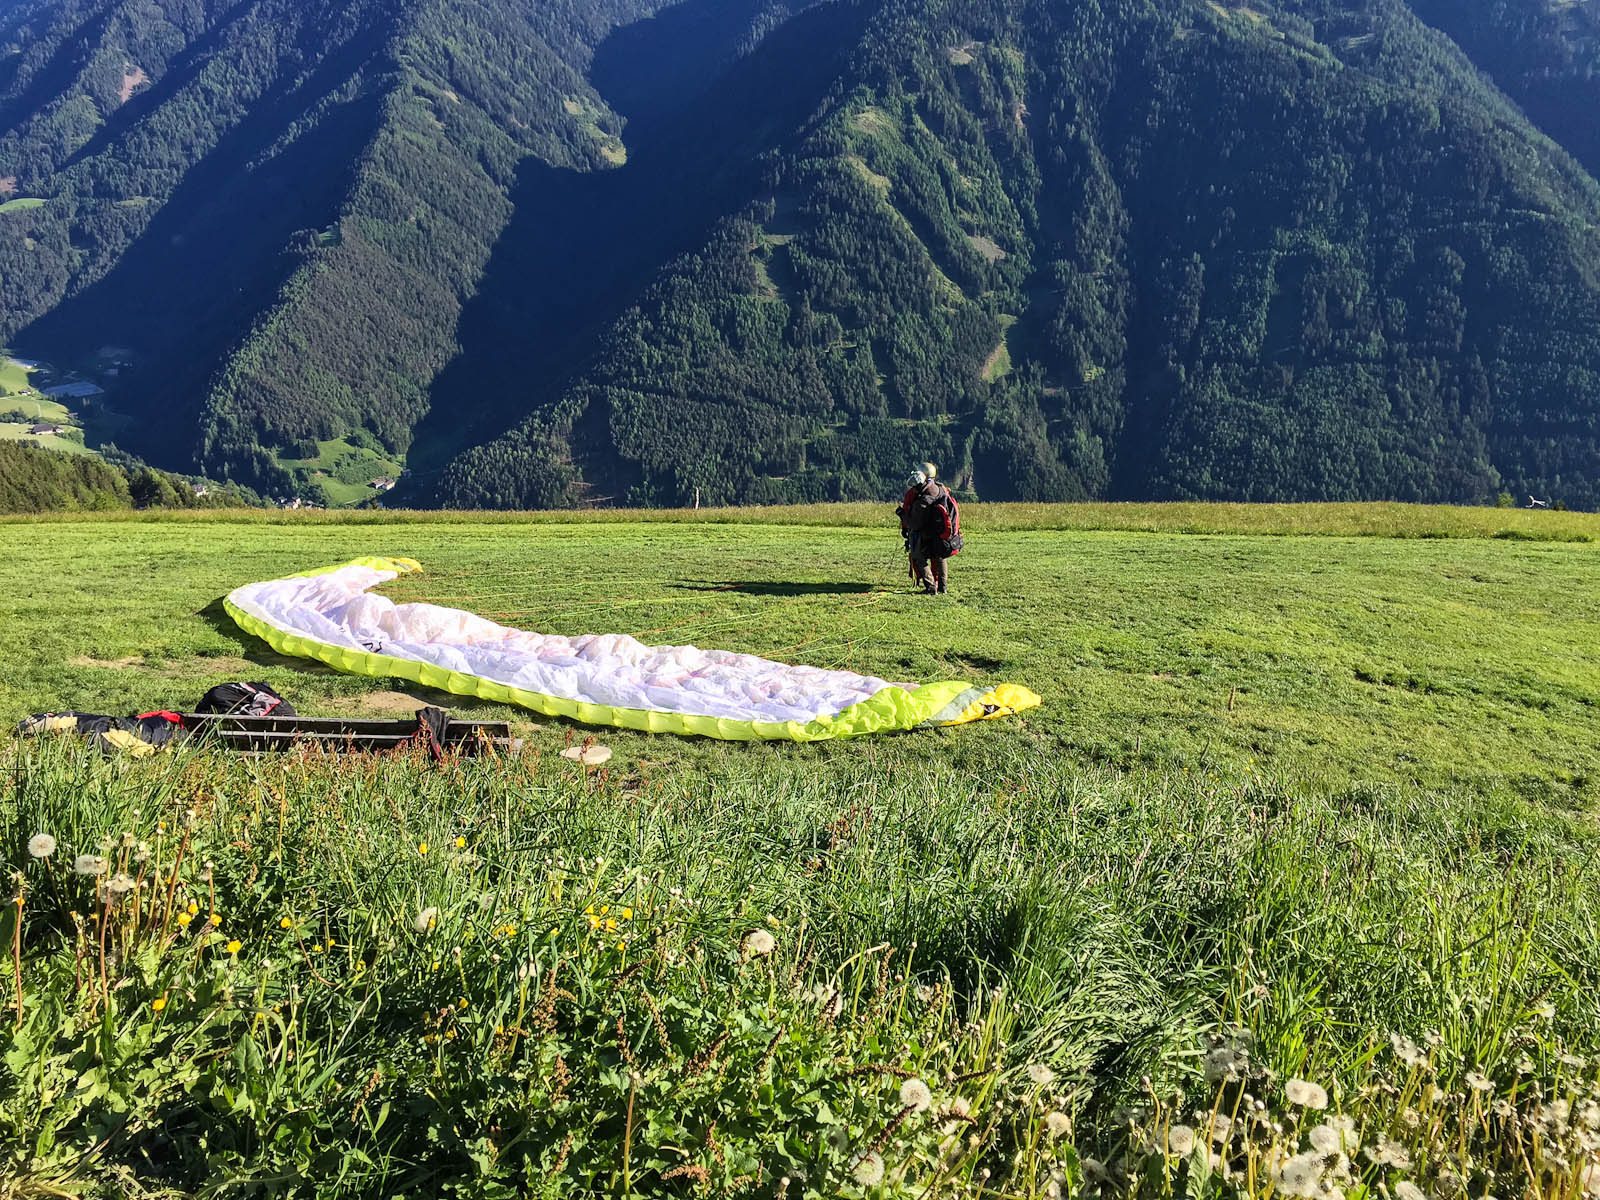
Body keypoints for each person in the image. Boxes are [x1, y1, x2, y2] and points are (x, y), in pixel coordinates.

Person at [896, 462, 962, 594]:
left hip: (927, 534)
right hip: (941, 532)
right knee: (940, 557)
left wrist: (902, 515)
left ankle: (931, 587)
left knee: (918, 557)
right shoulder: (940, 489)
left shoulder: (923, 500)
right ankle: (942, 587)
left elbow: (915, 524)